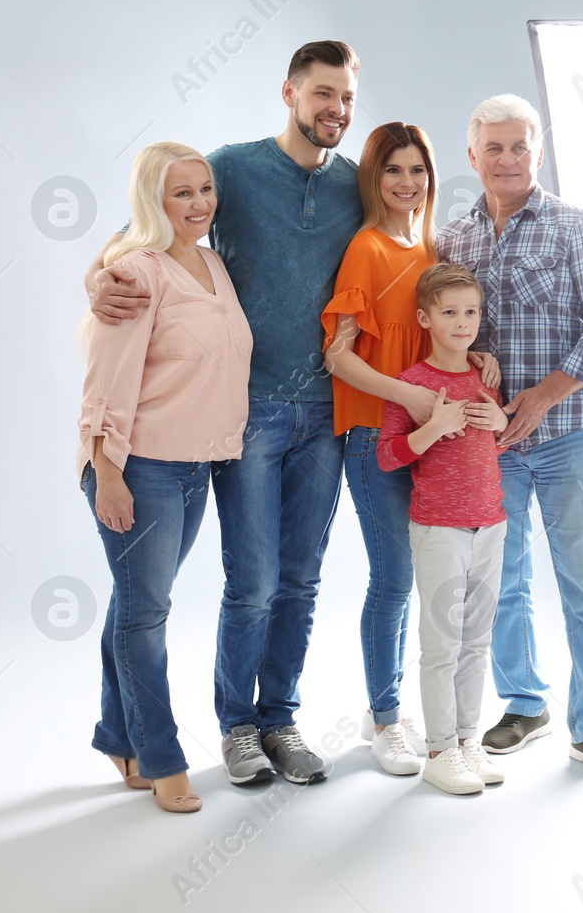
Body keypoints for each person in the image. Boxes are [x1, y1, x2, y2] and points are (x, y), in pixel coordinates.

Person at [88, 41, 369, 784]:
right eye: (322, 95)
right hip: (245, 416)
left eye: (345, 97)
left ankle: (279, 718)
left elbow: (398, 245)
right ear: (289, 93)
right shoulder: (234, 170)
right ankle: (236, 725)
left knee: (302, 580)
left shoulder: (356, 185)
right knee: (252, 581)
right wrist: (96, 274)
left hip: (328, 413)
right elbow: (148, 223)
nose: (335, 110)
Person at [436, 94, 583, 779]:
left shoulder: (577, 227)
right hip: (489, 445)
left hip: (570, 436)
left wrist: (543, 396)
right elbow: (445, 333)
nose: (509, 159)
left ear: (538, 152)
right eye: (494, 147)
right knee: (500, 583)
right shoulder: (454, 239)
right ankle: (523, 702)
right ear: (473, 157)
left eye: (520, 146)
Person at [321, 123, 500, 777]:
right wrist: (413, 396)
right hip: (377, 432)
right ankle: (387, 718)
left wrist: (468, 358)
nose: (407, 183)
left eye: (416, 170)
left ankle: (433, 724)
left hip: (434, 447)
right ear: (374, 179)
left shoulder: (428, 249)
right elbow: (338, 355)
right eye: (392, 170)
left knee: (432, 587)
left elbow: (440, 334)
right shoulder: (367, 248)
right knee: (392, 578)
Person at [79, 142, 252, 814]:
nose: (199, 204)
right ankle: (160, 755)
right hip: (136, 467)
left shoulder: (212, 264)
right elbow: (106, 380)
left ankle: (117, 734)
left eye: (205, 189)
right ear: (153, 200)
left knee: (134, 605)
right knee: (147, 614)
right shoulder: (135, 271)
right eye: (182, 193)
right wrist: (106, 470)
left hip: (195, 468)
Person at [375, 263, 509, 795]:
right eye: (449, 312)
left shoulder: (485, 377)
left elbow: (489, 447)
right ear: (424, 318)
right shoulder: (412, 384)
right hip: (438, 531)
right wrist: (432, 428)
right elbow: (387, 456)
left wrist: (501, 426)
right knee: (442, 644)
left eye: (471, 312)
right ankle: (438, 750)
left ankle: (468, 739)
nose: (462, 323)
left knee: (476, 642)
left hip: (491, 524)